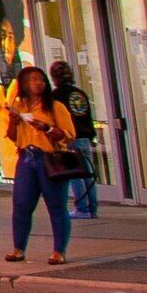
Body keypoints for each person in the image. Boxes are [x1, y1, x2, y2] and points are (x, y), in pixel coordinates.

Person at [3, 64, 79, 265]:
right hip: (27, 158)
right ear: (23, 84)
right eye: (32, 80)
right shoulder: (19, 106)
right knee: (21, 205)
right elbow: (11, 136)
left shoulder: (55, 107)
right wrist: (13, 122)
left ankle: (59, 251)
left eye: (41, 79)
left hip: (49, 158)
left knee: (56, 205)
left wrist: (46, 128)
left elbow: (68, 135)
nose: (38, 83)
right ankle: (18, 248)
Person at [50, 60, 102, 220]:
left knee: (75, 175)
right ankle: (92, 208)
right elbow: (86, 116)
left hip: (70, 137)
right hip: (85, 137)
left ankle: (82, 208)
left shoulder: (56, 96)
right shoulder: (79, 94)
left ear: (54, 78)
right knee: (87, 174)